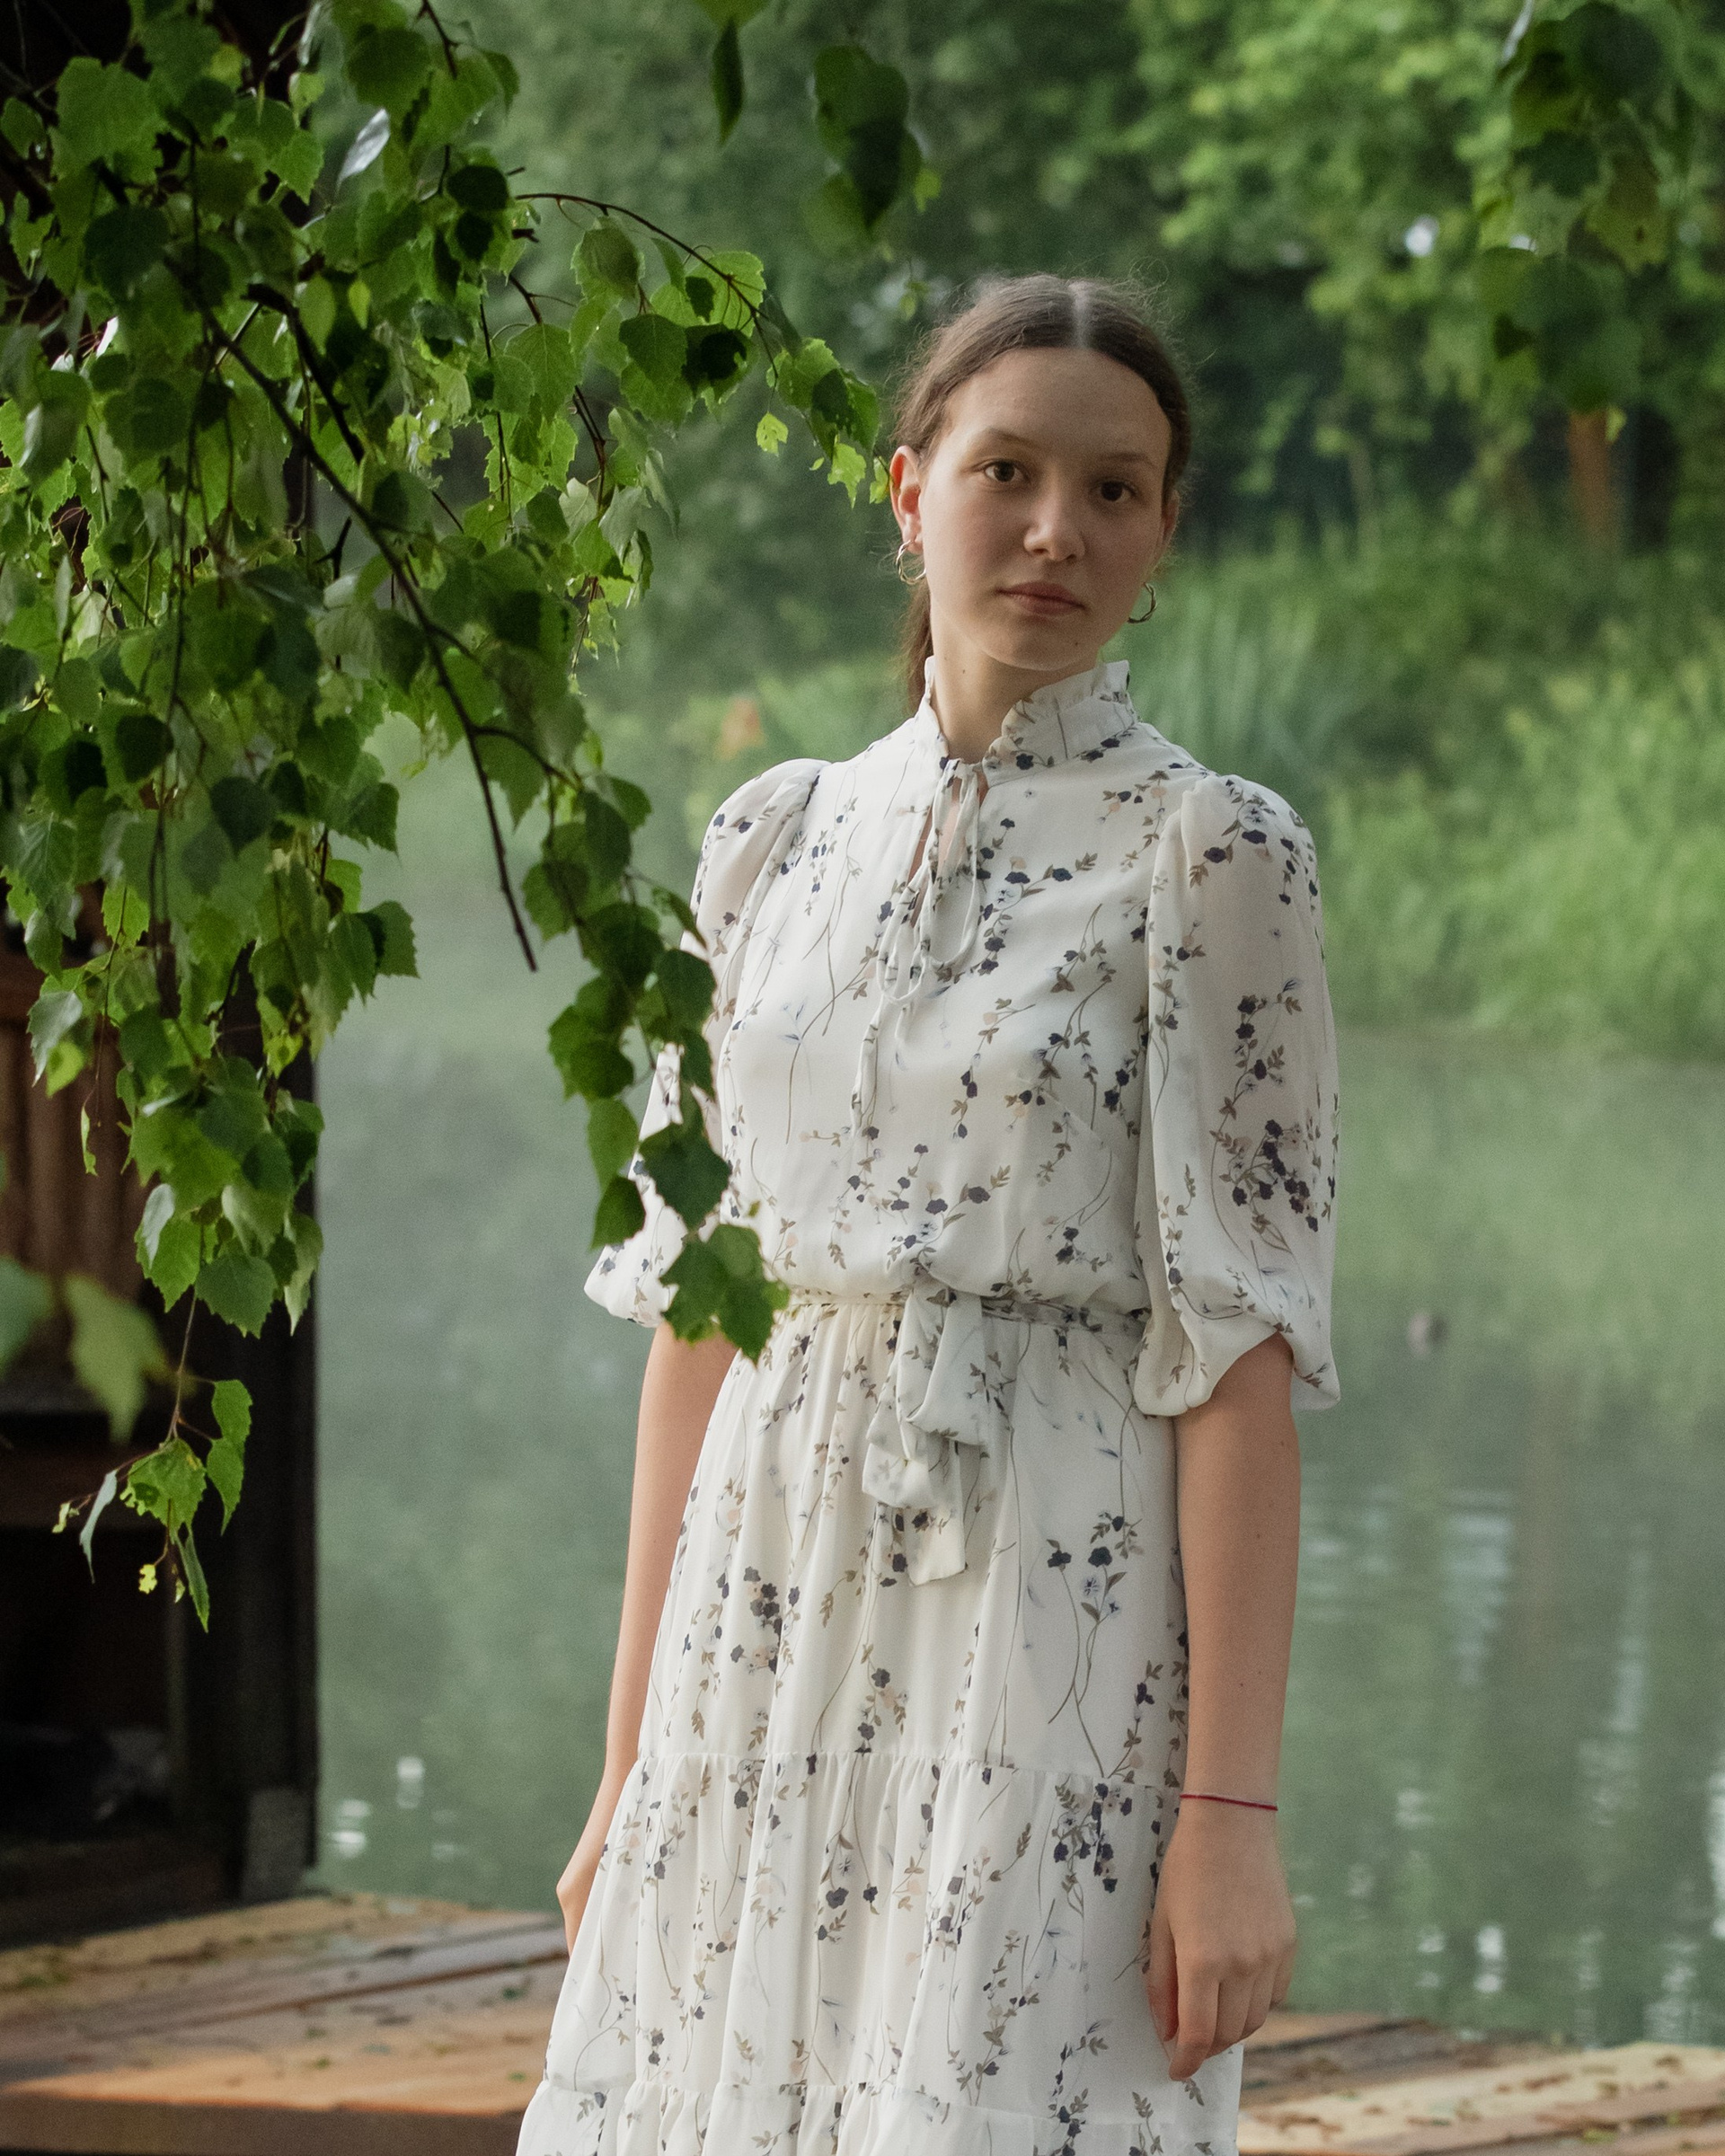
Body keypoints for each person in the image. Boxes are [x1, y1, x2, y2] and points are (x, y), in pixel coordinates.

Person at [518, 271, 1340, 2156]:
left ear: (1165, 529)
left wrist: (1231, 1818)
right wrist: (628, 1761)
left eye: (1115, 491)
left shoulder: (1215, 855)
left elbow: (1236, 1357)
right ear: (910, 492)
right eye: (1008, 473)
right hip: (760, 1610)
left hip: (1052, 1606)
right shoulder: (772, 840)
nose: (1058, 531)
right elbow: (703, 1319)